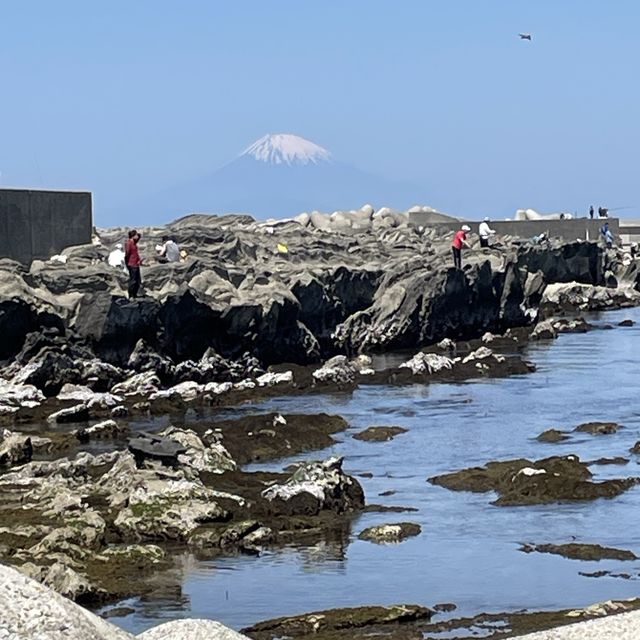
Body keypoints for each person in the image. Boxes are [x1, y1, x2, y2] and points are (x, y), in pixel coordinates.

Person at [125, 229, 142, 298]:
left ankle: (135, 294)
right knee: (133, 279)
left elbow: (140, 236)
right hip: (132, 263)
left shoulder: (134, 243)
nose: (137, 236)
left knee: (138, 280)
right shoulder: (129, 243)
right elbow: (127, 253)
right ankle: (131, 294)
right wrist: (127, 262)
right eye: (136, 235)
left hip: (136, 263)